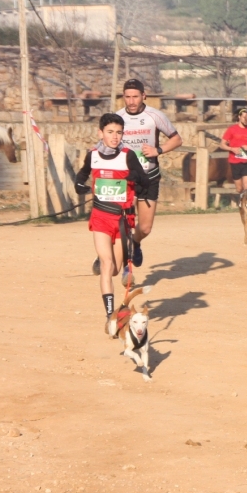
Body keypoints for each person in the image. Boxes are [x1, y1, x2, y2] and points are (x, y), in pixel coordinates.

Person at [75, 113, 150, 331]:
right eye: (110, 132)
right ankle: (110, 316)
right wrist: (79, 184)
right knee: (107, 265)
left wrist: (134, 178)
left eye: (118, 132)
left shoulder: (128, 156)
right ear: (101, 133)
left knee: (116, 269)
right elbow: (82, 175)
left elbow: (144, 180)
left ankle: (103, 259)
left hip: (123, 220)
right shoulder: (93, 155)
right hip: (100, 216)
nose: (115, 137)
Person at [115, 78, 182, 269]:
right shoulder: (117, 117)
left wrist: (157, 151)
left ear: (143, 96)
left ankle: (135, 243)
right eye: (128, 97)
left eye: (135, 96)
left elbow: (177, 139)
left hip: (149, 177)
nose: (132, 101)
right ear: (123, 98)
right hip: (125, 179)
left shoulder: (155, 116)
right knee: (122, 224)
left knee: (144, 228)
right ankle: (120, 262)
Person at [218, 108, 247, 196]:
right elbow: (222, 144)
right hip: (235, 162)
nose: (245, 119)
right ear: (239, 117)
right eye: (244, 117)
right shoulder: (232, 129)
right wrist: (232, 149)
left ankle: (246, 207)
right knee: (239, 188)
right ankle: (242, 201)